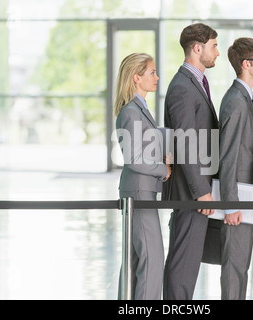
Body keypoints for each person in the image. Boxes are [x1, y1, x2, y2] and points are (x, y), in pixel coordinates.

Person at [162, 23, 219, 300]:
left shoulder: (195, 82)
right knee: (184, 260)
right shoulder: (183, 86)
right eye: (214, 46)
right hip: (190, 192)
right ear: (198, 48)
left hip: (195, 188)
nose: (217, 53)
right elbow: (184, 142)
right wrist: (202, 191)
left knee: (188, 259)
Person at [114, 53, 171, 300]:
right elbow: (134, 159)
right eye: (151, 72)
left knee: (135, 259)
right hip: (138, 192)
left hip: (142, 191)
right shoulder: (130, 112)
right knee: (152, 259)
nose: (157, 77)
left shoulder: (140, 109)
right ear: (136, 78)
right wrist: (163, 169)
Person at [218, 37, 253, 300]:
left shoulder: (246, 98)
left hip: (247, 195)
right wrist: (230, 204)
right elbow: (228, 156)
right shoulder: (236, 101)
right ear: (247, 64)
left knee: (241, 266)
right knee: (234, 267)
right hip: (238, 196)